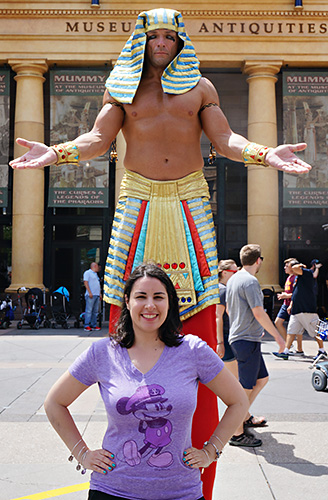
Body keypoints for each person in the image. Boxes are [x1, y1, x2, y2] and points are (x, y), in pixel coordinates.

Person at [9, 7, 311, 497]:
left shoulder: (203, 88)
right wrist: (57, 153)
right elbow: (98, 138)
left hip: (191, 199)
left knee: (197, 326)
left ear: (181, 41)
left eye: (172, 36)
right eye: (156, 36)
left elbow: (225, 139)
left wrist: (264, 154)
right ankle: (120, 466)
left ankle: (199, 473)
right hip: (137, 202)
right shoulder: (121, 86)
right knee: (126, 320)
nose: (164, 44)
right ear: (141, 40)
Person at [44, 262, 249, 500]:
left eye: (158, 297)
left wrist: (210, 452)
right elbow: (54, 403)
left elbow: (239, 402)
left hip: (181, 492)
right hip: (113, 489)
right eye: (141, 296)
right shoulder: (103, 352)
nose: (150, 305)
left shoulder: (193, 350)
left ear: (169, 303)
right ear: (127, 301)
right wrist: (82, 453)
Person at [226, 244, 285, 447]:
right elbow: (259, 312)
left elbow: (230, 311)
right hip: (246, 340)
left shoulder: (234, 279)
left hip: (243, 337)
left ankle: (241, 417)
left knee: (262, 379)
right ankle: (235, 432)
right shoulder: (250, 282)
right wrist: (277, 336)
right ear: (258, 260)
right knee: (246, 389)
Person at [273, 261, 327, 361]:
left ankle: (322, 350)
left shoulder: (306, 273)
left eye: (289, 266)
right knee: (291, 331)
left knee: (315, 331)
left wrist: (299, 266)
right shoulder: (297, 278)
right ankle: (286, 352)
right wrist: (291, 306)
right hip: (296, 310)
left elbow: (297, 269)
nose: (289, 269)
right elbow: (296, 293)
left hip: (307, 309)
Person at [274, 258, 297, 343]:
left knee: (296, 328)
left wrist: (286, 295)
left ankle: (297, 347)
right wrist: (283, 295)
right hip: (285, 303)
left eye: (287, 266)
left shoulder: (295, 277)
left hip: (293, 304)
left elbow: (297, 293)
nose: (284, 268)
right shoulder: (289, 277)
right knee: (278, 322)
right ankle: (288, 343)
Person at [83, 262, 102, 332]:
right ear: (94, 266)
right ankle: (86, 325)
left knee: (95, 311)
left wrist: (99, 293)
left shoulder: (95, 274)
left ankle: (94, 325)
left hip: (96, 294)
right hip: (91, 295)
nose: (98, 268)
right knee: (89, 310)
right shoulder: (87, 273)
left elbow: (97, 284)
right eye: (97, 266)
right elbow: (85, 282)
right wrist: (89, 292)